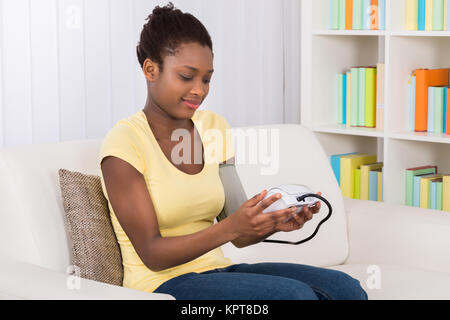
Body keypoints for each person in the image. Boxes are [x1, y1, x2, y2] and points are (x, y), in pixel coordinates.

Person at [100, 2, 368, 300]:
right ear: (151, 69)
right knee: (293, 297)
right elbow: (152, 253)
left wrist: (273, 223)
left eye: (206, 79)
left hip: (217, 272)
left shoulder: (213, 127)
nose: (199, 90)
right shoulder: (125, 141)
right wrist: (230, 227)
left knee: (347, 289)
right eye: (187, 77)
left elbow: (238, 233)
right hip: (161, 286)